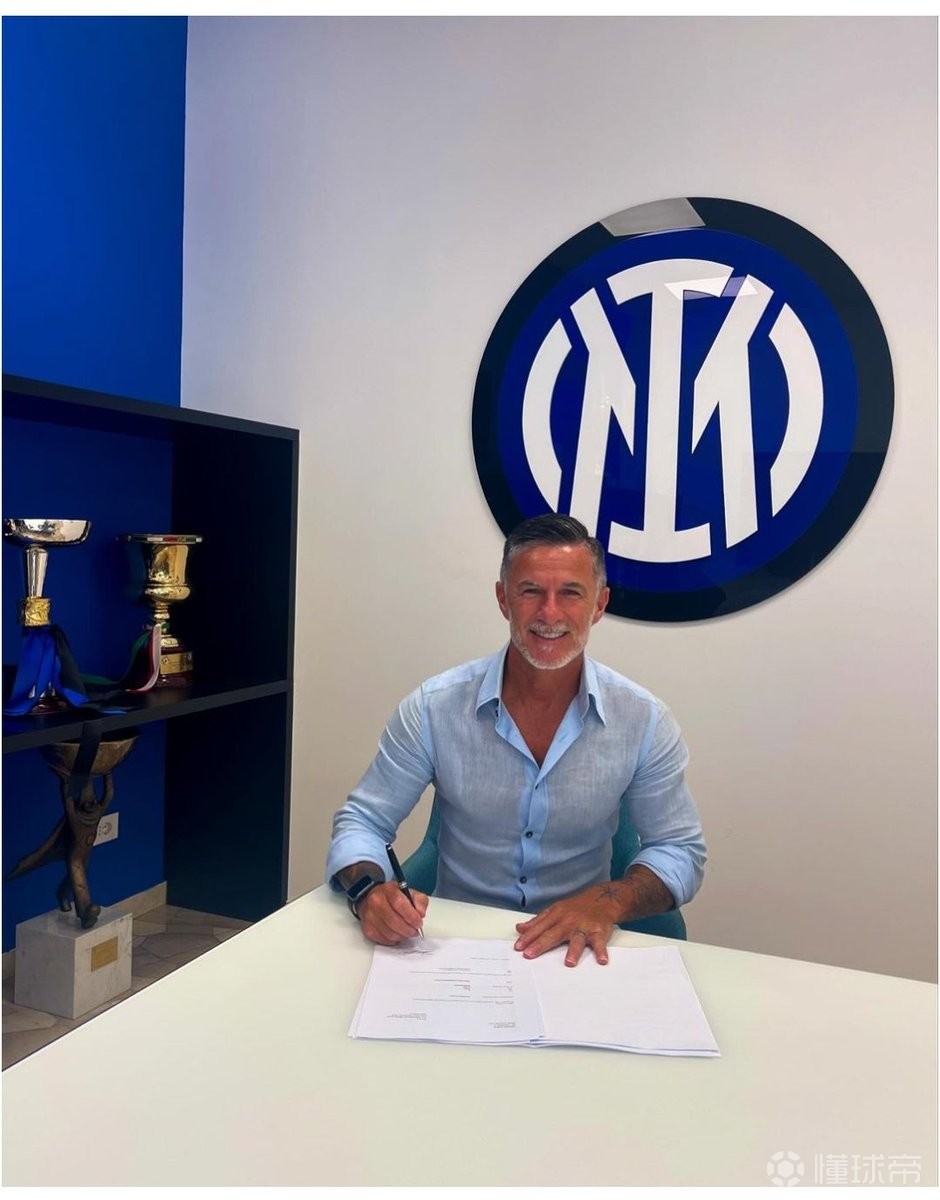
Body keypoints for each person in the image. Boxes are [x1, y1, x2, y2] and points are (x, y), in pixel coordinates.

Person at [327, 514, 705, 967]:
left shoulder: (643, 720)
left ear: (599, 604)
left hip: (578, 952)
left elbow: (680, 849)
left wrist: (606, 902)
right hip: (453, 951)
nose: (550, 613)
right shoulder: (434, 708)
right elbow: (363, 821)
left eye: (571, 593)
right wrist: (368, 891)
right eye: (531, 591)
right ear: (503, 599)